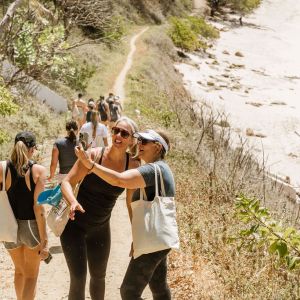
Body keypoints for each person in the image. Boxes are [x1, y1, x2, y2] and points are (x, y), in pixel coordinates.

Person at [74, 129, 174, 300]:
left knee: (129, 292)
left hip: (153, 239)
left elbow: (120, 180)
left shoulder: (153, 170)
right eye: (139, 140)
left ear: (157, 147)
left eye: (144, 142)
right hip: (160, 238)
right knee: (159, 288)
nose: (139, 144)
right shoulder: (162, 169)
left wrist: (90, 164)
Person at [61, 116, 140, 300]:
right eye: (116, 130)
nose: (119, 135)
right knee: (78, 279)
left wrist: (137, 237)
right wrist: (73, 201)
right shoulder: (93, 155)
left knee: (99, 278)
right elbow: (66, 182)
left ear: (132, 140)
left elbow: (131, 204)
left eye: (125, 133)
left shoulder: (133, 165)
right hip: (74, 227)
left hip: (101, 229)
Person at [0, 131, 49, 300]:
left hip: (9, 226)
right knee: (30, 276)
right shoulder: (38, 171)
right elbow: (39, 209)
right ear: (32, 149)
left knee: (19, 272)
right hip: (30, 227)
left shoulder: (2, 167)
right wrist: (45, 241)